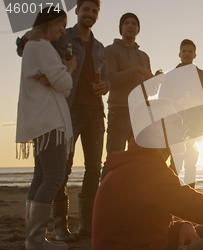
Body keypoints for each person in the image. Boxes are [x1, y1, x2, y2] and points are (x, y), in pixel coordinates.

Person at [92, 99, 203, 250]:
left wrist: (180, 227)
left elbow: (141, 227)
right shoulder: (148, 173)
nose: (185, 127)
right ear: (157, 131)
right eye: (177, 121)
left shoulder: (138, 166)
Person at [16, 0, 110, 240]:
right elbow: (29, 44)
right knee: (60, 172)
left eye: (95, 10)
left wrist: (105, 85)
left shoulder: (100, 47)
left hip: (95, 114)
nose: (90, 14)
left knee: (92, 170)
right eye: (86, 9)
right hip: (67, 111)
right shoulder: (60, 36)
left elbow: (107, 77)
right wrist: (26, 37)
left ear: (98, 15)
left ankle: (87, 226)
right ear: (77, 10)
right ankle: (59, 227)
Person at [16, 8, 75, 249]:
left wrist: (57, 75)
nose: (63, 30)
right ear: (49, 23)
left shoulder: (33, 46)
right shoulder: (41, 46)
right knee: (53, 178)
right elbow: (65, 83)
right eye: (61, 24)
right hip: (50, 122)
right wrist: (67, 69)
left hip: (40, 122)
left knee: (41, 177)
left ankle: (34, 240)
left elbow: (56, 81)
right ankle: (36, 242)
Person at [101, 12, 157, 179]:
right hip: (119, 110)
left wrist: (155, 80)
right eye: (126, 23)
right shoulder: (110, 51)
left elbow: (150, 89)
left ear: (138, 29)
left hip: (141, 113)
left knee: (140, 160)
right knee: (114, 158)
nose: (130, 26)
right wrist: (135, 70)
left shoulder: (144, 56)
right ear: (121, 28)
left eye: (134, 23)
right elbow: (111, 79)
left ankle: (133, 201)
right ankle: (104, 202)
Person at [169, 39, 203, 188]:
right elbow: (164, 102)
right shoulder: (171, 76)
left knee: (191, 164)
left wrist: (201, 119)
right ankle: (171, 199)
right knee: (174, 164)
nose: (187, 54)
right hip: (175, 127)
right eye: (184, 51)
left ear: (195, 55)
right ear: (179, 54)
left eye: (190, 51)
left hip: (196, 127)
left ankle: (189, 203)